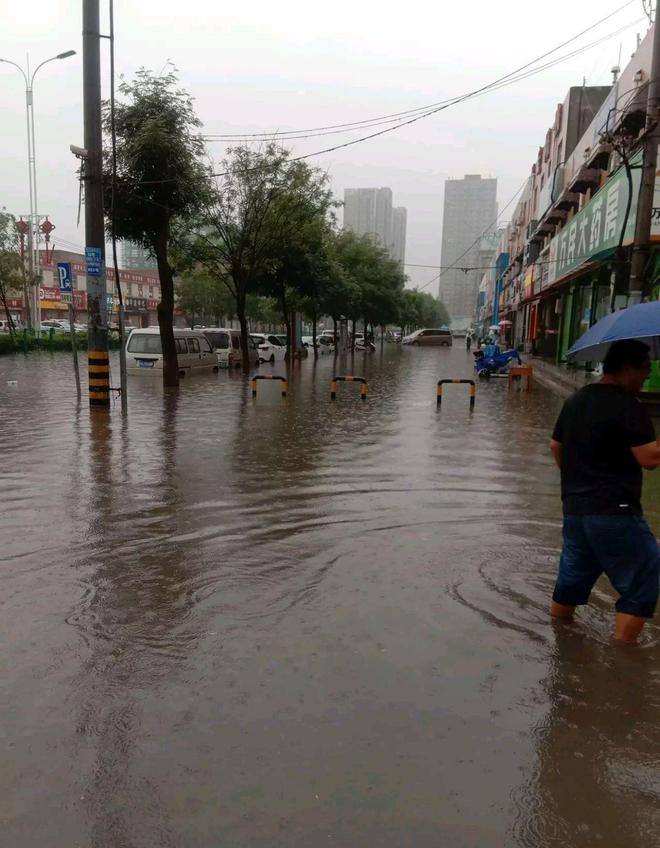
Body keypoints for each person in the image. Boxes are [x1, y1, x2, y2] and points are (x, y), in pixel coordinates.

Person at [549, 339, 660, 643]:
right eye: (645, 370)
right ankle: (623, 656)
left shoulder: (576, 400)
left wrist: (577, 480)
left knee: (573, 578)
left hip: (575, 511)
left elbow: (555, 445)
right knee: (646, 571)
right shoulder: (628, 406)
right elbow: (649, 459)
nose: (646, 377)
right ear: (627, 369)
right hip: (614, 511)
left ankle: (561, 639)